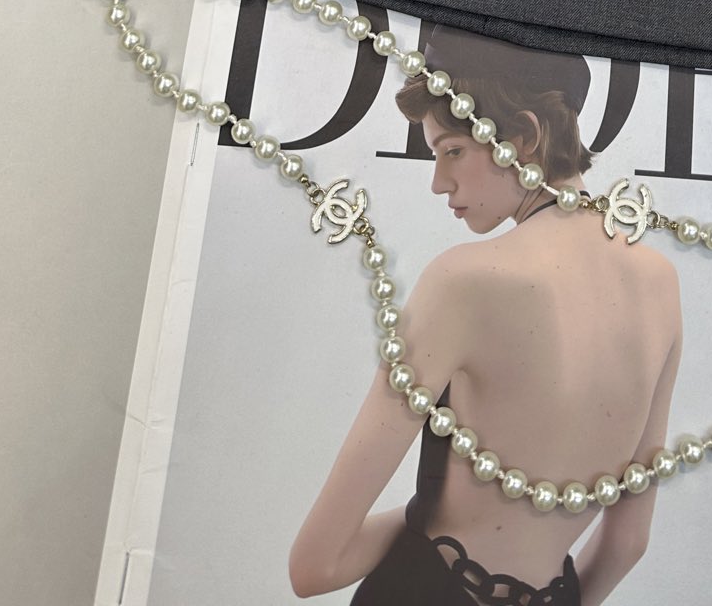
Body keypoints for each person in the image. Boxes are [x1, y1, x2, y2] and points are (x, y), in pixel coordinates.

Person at [290, 29, 681, 606]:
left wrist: (439, 516)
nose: (438, 183)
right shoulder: (659, 283)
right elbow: (627, 543)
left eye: (452, 151)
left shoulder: (464, 280)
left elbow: (315, 566)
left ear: (524, 136)